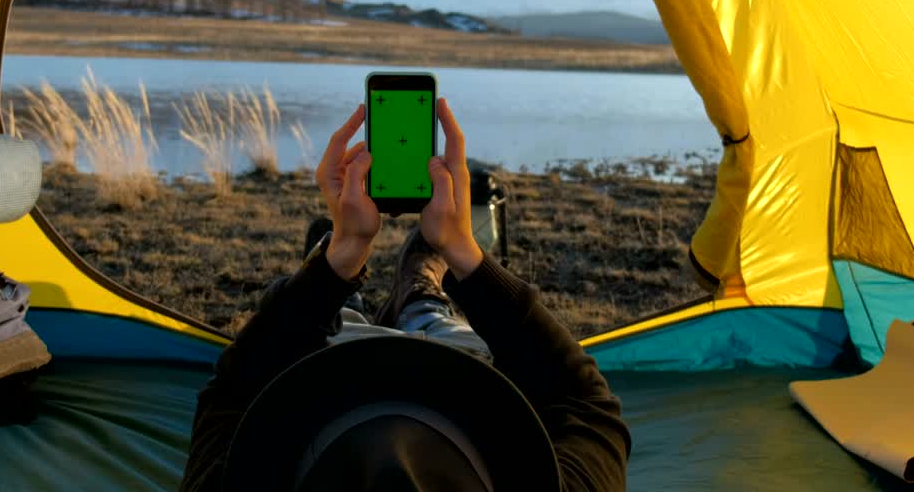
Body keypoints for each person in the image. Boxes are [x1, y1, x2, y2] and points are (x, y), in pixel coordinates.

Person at [181, 99, 630, 490]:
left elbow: (232, 392)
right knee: (434, 317)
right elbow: (588, 403)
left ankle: (345, 296)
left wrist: (337, 262)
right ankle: (417, 290)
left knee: (340, 329)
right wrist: (463, 253)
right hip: (457, 381)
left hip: (334, 384)